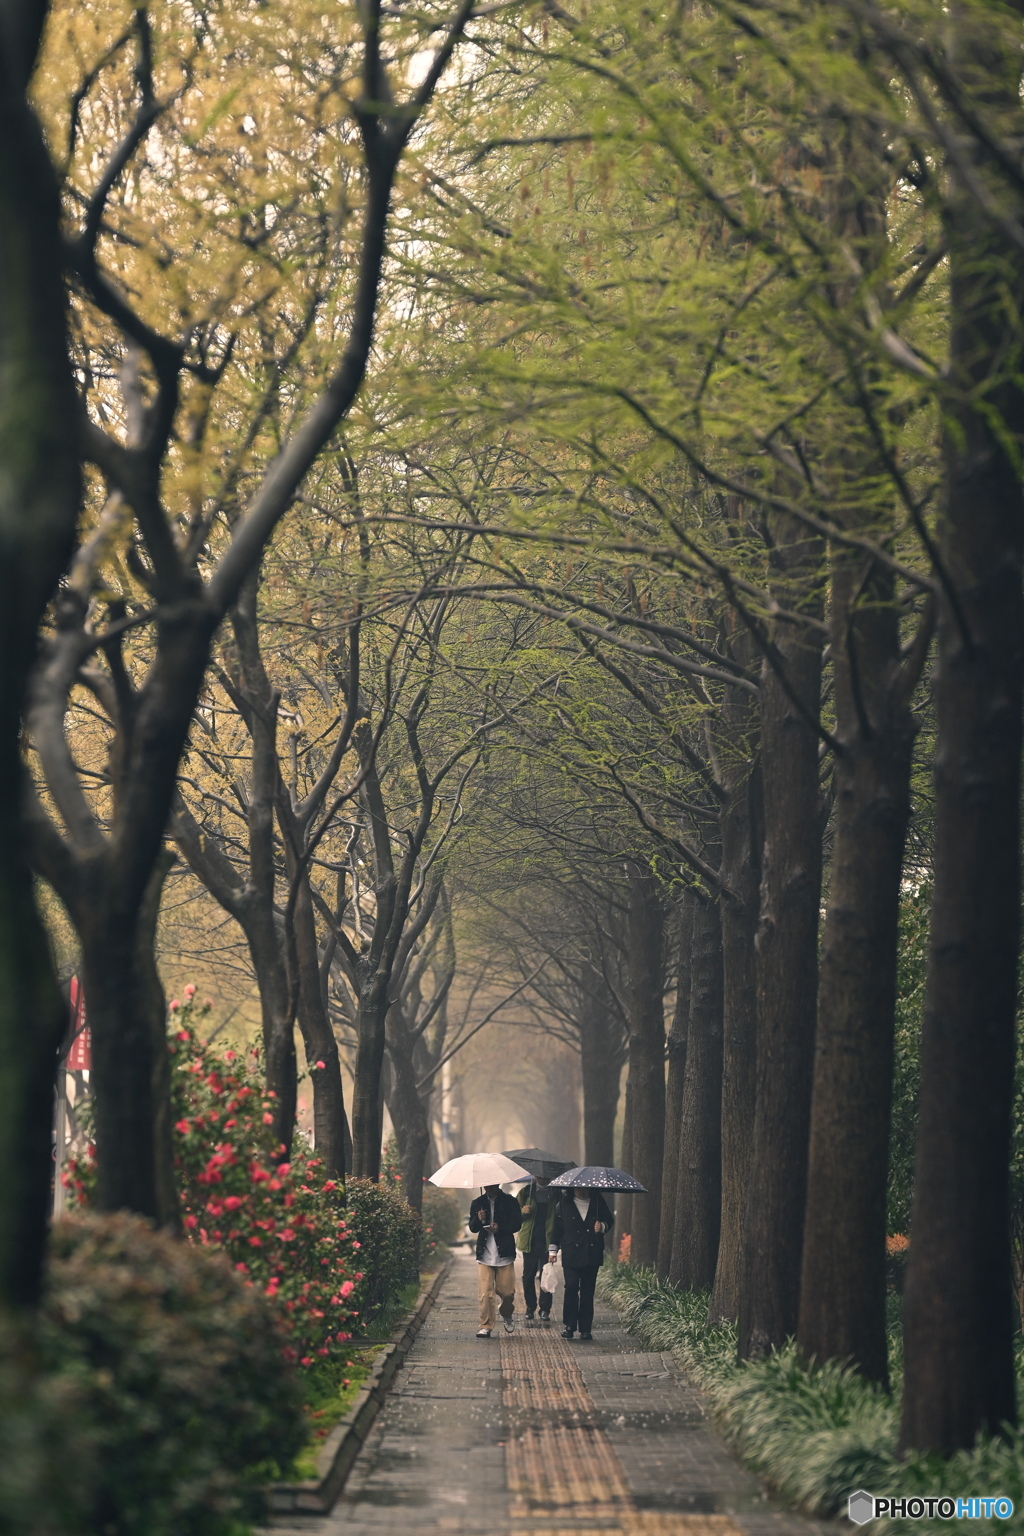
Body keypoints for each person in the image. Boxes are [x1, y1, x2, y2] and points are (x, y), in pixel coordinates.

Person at [548, 1186, 614, 1341]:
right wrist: (553, 1251)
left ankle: (585, 1328)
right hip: (571, 1252)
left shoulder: (598, 1202)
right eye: (579, 1189)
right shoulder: (563, 1204)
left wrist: (602, 1226)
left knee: (587, 1291)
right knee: (570, 1287)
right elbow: (557, 1229)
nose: (583, 1192)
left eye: (586, 1189)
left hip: (592, 1252)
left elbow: (609, 1219)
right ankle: (569, 1325)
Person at [468, 1183, 522, 1337]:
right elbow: (472, 1228)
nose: (490, 1189)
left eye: (493, 1186)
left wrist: (500, 1228)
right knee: (485, 1293)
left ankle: (506, 1313)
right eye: (487, 1186)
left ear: (498, 1184)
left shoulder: (510, 1201)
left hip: (504, 1253)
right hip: (484, 1254)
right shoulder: (477, 1203)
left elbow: (517, 1224)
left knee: (507, 1293)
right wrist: (479, 1219)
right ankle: (486, 1325)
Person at [516, 1176, 558, 1321]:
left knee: (546, 1276)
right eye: (539, 1175)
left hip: (548, 1241)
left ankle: (545, 1309)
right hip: (529, 1241)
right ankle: (530, 1307)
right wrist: (523, 1212)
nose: (542, 1178)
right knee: (528, 1277)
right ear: (534, 1175)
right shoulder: (526, 1193)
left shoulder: (555, 1193)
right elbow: (514, 1218)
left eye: (545, 1175)